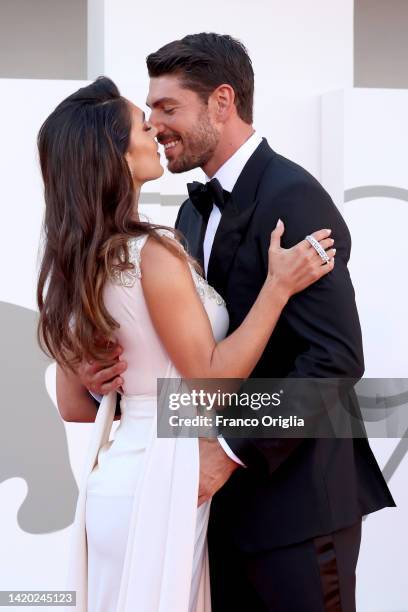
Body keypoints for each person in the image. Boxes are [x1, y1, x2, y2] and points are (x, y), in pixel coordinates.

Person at [81, 33, 396, 612]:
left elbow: (334, 361)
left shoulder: (295, 197)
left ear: (221, 102)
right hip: (213, 509)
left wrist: (226, 450)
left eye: (168, 107)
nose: (155, 124)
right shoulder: (187, 213)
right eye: (149, 111)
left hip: (298, 508)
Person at [36, 77, 335, 612]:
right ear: (114, 154)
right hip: (161, 474)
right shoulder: (150, 252)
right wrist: (278, 287)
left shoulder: (76, 257)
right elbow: (212, 381)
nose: (152, 129)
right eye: (140, 123)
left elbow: (74, 404)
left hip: (120, 477)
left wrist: (115, 385)